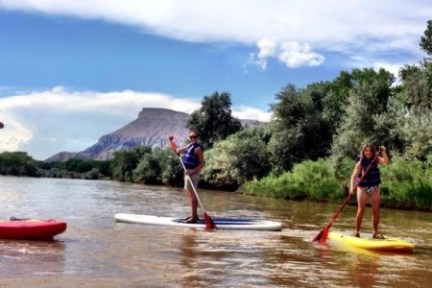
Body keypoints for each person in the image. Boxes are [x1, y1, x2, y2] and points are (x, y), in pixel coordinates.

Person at [349, 143, 389, 239]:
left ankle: (375, 232)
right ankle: (356, 231)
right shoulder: (360, 162)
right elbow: (353, 176)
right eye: (366, 150)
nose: (368, 152)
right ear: (363, 151)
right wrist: (351, 187)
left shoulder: (375, 159)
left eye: (370, 150)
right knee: (361, 210)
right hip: (362, 187)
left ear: (373, 151)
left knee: (376, 210)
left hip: (374, 187)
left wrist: (383, 151)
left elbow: (385, 161)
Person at [176, 130, 206, 223]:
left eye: (194, 137)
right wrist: (173, 145)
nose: (193, 138)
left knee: (193, 196)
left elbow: (202, 164)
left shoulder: (198, 149)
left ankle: (193, 217)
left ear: (198, 137)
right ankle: (194, 215)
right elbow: (179, 151)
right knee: (190, 195)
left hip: (193, 174)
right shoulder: (189, 145)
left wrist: (191, 171)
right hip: (188, 174)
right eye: (191, 137)